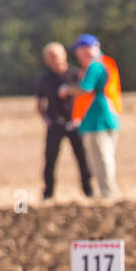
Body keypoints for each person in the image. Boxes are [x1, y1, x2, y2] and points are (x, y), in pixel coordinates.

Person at [58, 35, 121, 199]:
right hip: (107, 116)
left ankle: (108, 193)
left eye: (78, 50)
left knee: (101, 157)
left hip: (98, 118)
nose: (77, 55)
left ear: (85, 49)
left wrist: (66, 89)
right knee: (104, 156)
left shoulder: (94, 66)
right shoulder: (104, 64)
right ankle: (107, 192)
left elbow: (85, 88)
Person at [35, 42, 93, 201]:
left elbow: (86, 96)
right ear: (47, 60)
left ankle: (89, 192)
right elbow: (39, 102)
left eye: (58, 55)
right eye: (52, 57)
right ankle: (48, 194)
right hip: (55, 124)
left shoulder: (76, 74)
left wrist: (81, 117)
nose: (56, 59)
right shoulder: (45, 79)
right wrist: (46, 119)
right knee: (50, 160)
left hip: (75, 123)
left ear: (64, 55)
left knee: (83, 158)